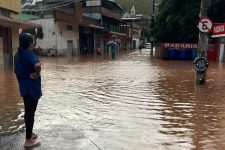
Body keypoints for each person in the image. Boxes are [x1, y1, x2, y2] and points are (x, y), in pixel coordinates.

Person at [14, 33, 42, 147]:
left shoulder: (17, 55)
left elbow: (15, 71)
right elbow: (38, 65)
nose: (33, 43)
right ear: (29, 43)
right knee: (30, 112)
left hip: (24, 86)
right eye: (32, 41)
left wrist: (25, 75)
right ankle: (28, 140)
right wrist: (37, 73)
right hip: (32, 87)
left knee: (28, 110)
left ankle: (29, 133)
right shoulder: (29, 54)